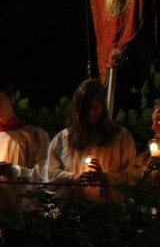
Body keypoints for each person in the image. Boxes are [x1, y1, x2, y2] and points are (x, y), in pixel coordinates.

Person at [45, 79, 136, 203]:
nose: (90, 113)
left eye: (95, 108)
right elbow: (50, 174)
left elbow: (132, 175)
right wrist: (73, 178)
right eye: (86, 109)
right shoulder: (65, 138)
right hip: (72, 209)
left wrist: (104, 177)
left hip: (108, 211)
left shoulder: (120, 137)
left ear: (102, 107)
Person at [0, 76, 50, 210]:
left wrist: (13, 171)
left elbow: (45, 176)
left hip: (25, 215)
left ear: (11, 97)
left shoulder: (36, 135)